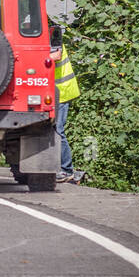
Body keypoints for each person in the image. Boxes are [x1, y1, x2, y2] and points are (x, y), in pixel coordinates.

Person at [53, 36, 80, 183]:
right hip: (57, 92)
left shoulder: (53, 40)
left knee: (58, 130)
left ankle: (67, 170)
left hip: (62, 92)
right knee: (55, 130)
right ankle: (61, 168)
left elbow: (55, 56)